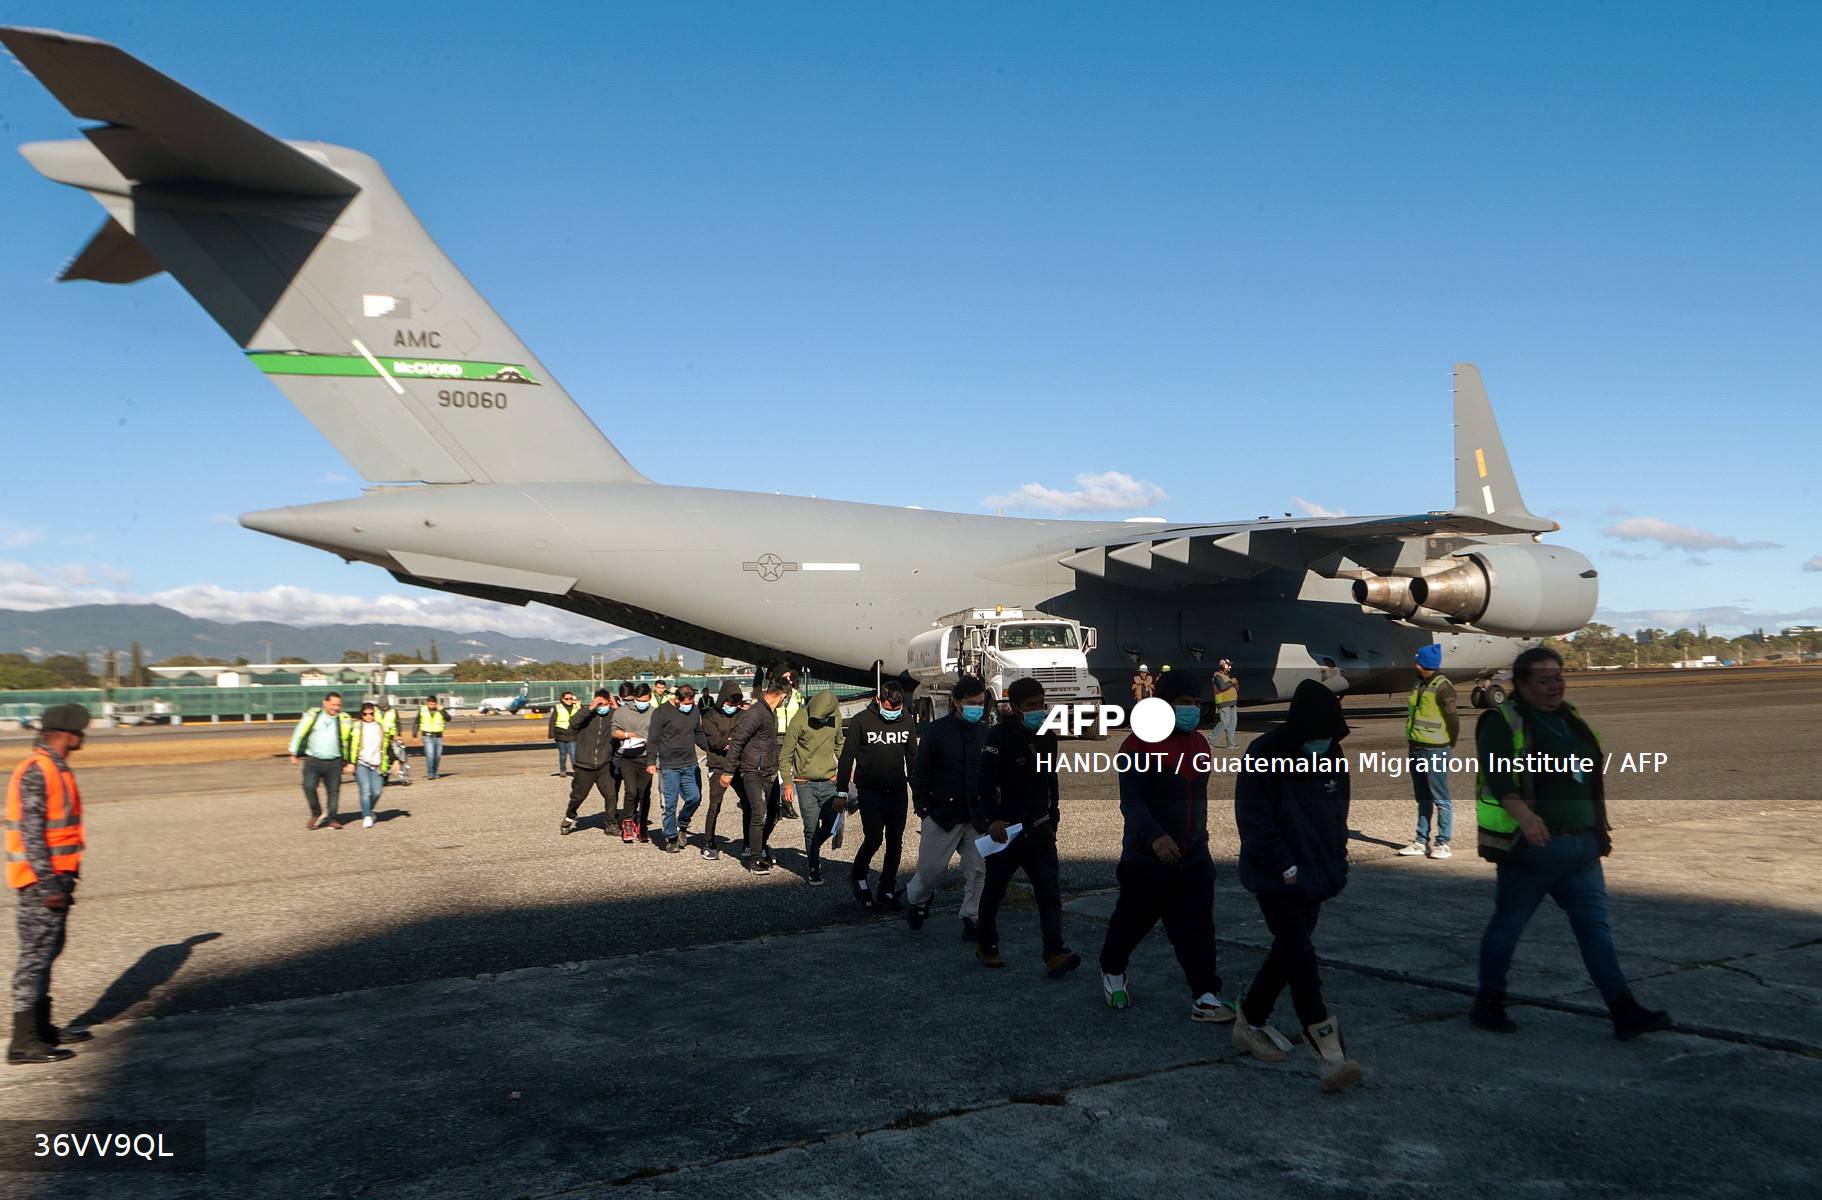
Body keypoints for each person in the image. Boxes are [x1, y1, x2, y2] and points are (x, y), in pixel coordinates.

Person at [1470, 646, 1672, 1041]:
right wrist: (1526, 818)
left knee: (1595, 929)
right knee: (1508, 925)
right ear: (1522, 685)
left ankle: (1623, 1010)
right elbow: (1499, 779)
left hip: (1582, 849)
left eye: (1559, 678)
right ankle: (1488, 1001)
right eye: (1544, 681)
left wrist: (1597, 830)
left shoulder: (1570, 718)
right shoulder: (1501, 721)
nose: (1554, 686)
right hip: (1532, 850)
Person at [1232, 679, 1362, 1092]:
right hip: (1275, 877)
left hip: (1317, 874)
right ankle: (1327, 1051)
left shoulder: (1331, 754)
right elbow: (1254, 820)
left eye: (1330, 737)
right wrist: (1285, 867)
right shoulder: (1264, 753)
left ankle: (1250, 1019)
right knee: (1301, 956)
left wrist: (1336, 861)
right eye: (1318, 735)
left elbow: (1337, 814)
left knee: (1288, 951)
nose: (1323, 743)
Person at [1098, 671, 1234, 1022]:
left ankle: (1205, 995)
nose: (1190, 710)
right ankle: (1112, 970)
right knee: (1132, 922)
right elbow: (1132, 802)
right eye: (1182, 704)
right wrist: (1155, 836)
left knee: (1198, 927)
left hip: (1193, 856)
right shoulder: (1137, 745)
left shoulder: (1200, 744)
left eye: (1194, 704)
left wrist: (1198, 841)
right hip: (1148, 856)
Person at [973, 678, 1079, 976]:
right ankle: (986, 942)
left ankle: (1054, 952)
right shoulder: (998, 736)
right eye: (1031, 705)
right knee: (994, 889)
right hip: (1006, 830)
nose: (1038, 710)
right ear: (1016, 708)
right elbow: (983, 783)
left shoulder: (1048, 736)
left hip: (1039, 829)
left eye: (1041, 704)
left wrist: (1054, 817)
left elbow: (1051, 779)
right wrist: (991, 819)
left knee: (1048, 891)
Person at [6, 703, 93, 1064]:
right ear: (67, 734)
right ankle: (22, 1042)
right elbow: (31, 834)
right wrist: (48, 885)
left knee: (47, 952)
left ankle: (41, 1029)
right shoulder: (38, 771)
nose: (83, 737)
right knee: (35, 957)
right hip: (42, 883)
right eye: (81, 731)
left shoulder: (56, 769)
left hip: (58, 878)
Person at [905, 677, 990, 939]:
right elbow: (921, 770)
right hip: (941, 814)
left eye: (980, 703)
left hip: (975, 817)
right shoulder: (936, 731)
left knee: (979, 870)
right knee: (930, 870)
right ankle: (918, 901)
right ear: (956, 702)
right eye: (971, 703)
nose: (977, 708)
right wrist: (922, 807)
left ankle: (972, 918)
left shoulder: (985, 732)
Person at [836, 680, 916, 908]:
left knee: (895, 841)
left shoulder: (907, 720)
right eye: (889, 708)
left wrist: (919, 793)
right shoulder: (861, 721)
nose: (892, 713)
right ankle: (858, 874)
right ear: (878, 700)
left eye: (896, 709)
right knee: (874, 837)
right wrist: (841, 791)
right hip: (870, 791)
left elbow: (912, 759)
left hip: (897, 791)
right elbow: (846, 758)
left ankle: (887, 887)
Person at [1398, 644, 1460, 859]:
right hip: (1416, 747)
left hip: (1436, 749)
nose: (1415, 664)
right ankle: (1420, 841)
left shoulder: (1444, 687)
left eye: (1418, 661)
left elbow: (1453, 719)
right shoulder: (1418, 683)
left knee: (1440, 798)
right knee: (1422, 798)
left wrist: (1450, 741)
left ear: (1426, 664)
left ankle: (1443, 843)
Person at [783, 690, 845, 885]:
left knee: (831, 824)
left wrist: (847, 769)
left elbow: (840, 745)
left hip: (830, 781)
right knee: (810, 828)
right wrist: (787, 783)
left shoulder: (835, 717)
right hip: (805, 783)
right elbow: (785, 755)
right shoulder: (799, 720)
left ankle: (813, 849)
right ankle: (813, 866)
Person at [724, 683, 787, 872]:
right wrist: (728, 771)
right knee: (759, 814)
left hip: (769, 770)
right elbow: (738, 741)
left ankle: (760, 845)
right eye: (786, 697)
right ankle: (755, 858)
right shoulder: (756, 713)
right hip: (753, 771)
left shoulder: (770, 712)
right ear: (782, 696)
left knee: (774, 813)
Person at [693, 681, 746, 860]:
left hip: (738, 765)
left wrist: (731, 741)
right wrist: (730, 741)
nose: (732, 706)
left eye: (736, 703)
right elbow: (714, 741)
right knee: (715, 805)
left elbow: (743, 736)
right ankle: (708, 842)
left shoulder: (742, 714)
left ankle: (749, 843)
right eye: (730, 702)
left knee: (748, 803)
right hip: (717, 766)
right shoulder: (709, 716)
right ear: (723, 699)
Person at [647, 684, 702, 853]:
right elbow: (653, 738)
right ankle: (671, 837)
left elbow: (698, 733)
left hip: (689, 764)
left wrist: (713, 749)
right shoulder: (661, 712)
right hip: (669, 766)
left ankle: (683, 824)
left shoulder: (694, 709)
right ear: (677, 699)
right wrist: (650, 761)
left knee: (695, 798)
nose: (688, 706)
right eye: (686, 703)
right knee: (670, 804)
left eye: (691, 702)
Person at [288, 692, 353, 830]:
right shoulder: (313, 716)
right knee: (308, 786)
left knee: (333, 791)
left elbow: (351, 741)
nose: (336, 708)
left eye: (338, 705)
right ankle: (316, 812)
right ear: (325, 703)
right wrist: (293, 752)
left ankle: (332, 819)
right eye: (333, 704)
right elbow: (299, 732)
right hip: (313, 760)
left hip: (334, 761)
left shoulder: (344, 720)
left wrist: (350, 762)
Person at [561, 689, 619, 836]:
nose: (602, 707)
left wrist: (614, 705)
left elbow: (623, 721)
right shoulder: (586, 715)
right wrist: (591, 707)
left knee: (611, 795)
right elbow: (573, 723)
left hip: (604, 764)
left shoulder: (612, 715)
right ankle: (569, 817)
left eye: (604, 704)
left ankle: (611, 824)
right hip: (584, 765)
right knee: (578, 796)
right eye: (600, 704)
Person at [612, 685, 656, 842]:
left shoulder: (654, 713)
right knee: (631, 791)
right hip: (627, 758)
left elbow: (659, 735)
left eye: (644, 701)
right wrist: (626, 735)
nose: (641, 703)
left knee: (644, 793)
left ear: (650, 698)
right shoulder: (622, 711)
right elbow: (614, 731)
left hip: (646, 758)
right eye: (638, 700)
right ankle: (628, 822)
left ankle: (642, 824)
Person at [345, 702, 395, 829]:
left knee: (377, 791)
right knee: (365, 790)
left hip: (377, 764)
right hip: (361, 763)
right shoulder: (356, 726)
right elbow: (350, 744)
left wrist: (395, 760)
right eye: (365, 714)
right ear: (361, 714)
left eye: (371, 713)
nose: (368, 716)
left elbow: (387, 745)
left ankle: (369, 809)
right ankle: (367, 816)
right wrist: (349, 762)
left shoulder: (380, 727)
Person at [772, 667, 805, 820]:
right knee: (777, 771)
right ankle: (777, 805)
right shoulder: (775, 694)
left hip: (792, 736)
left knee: (790, 772)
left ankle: (787, 803)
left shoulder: (797, 696)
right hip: (776, 736)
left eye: (789, 678)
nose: (786, 681)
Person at [549, 691, 582, 778]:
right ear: (562, 699)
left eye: (571, 698)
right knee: (563, 754)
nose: (569, 700)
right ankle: (563, 770)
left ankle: (576, 771)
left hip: (573, 734)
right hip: (560, 734)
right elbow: (553, 720)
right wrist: (551, 734)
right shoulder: (558, 707)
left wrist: (579, 705)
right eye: (567, 699)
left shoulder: (577, 707)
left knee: (573, 754)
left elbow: (583, 715)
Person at [415, 695, 447, 780]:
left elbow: (448, 718)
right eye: (430, 703)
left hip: (438, 736)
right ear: (427, 703)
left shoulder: (440, 710)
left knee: (437, 756)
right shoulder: (422, 710)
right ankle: (430, 773)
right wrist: (414, 733)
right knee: (430, 755)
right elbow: (417, 721)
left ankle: (435, 771)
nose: (432, 705)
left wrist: (442, 710)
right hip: (427, 735)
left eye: (433, 703)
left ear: (436, 703)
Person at [1211, 659, 1240, 749]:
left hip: (1232, 702)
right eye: (1228, 665)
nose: (1230, 667)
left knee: (1232, 723)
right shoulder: (1217, 676)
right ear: (1223, 666)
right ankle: (1210, 740)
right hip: (1223, 702)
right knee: (1224, 722)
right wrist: (1232, 682)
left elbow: (1231, 686)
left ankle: (1231, 743)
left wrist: (1235, 685)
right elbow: (1222, 687)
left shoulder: (1227, 676)